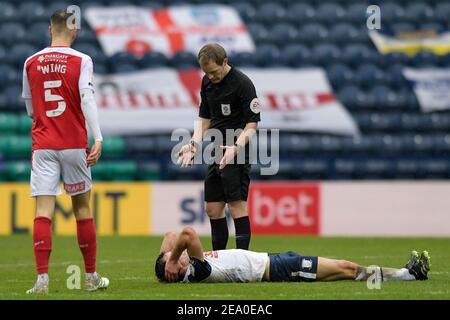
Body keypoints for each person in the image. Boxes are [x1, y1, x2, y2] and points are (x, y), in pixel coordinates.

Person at [21, 9, 109, 294]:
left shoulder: (30, 61)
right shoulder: (82, 60)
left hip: (44, 145)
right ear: (75, 31)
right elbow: (87, 98)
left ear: (50, 30)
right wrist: (98, 137)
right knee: (82, 209)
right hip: (73, 144)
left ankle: (42, 281)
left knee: (43, 211)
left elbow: (30, 108)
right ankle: (91, 277)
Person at [177, 43, 261, 251]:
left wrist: (236, 147)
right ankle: (219, 259)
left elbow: (252, 125)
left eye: (214, 72)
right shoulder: (206, 82)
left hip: (237, 150)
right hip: (215, 149)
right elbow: (204, 118)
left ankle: (242, 259)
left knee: (236, 205)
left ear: (225, 62)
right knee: (212, 208)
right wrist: (194, 144)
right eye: (207, 72)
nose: (211, 76)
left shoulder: (243, 84)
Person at [155, 227, 430, 283]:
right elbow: (187, 234)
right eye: (175, 261)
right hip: (277, 269)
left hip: (273, 259)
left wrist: (168, 257)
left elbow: (170, 235)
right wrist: (171, 258)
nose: (176, 256)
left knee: (345, 269)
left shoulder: (185, 264)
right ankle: (406, 274)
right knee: (346, 268)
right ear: (176, 271)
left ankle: (403, 273)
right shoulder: (197, 271)